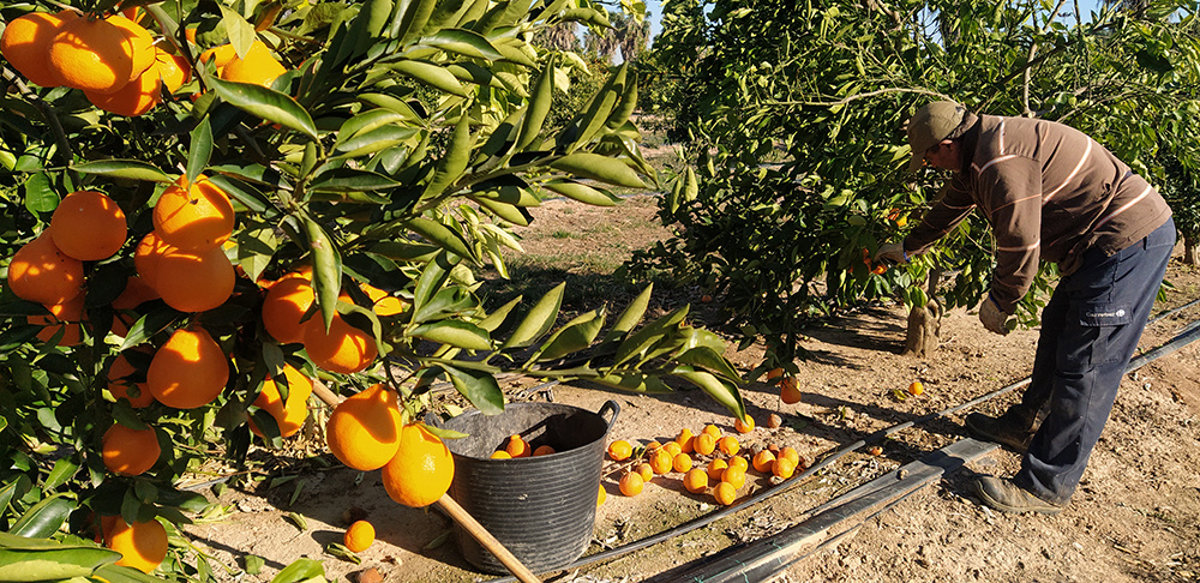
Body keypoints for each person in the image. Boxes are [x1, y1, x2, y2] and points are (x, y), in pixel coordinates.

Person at [875, 101, 1175, 515]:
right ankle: (1026, 424)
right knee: (1057, 329)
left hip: (1126, 241)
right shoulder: (976, 153)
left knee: (1087, 363)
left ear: (946, 145)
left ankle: (1047, 485)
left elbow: (1020, 242)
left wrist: (1001, 300)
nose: (927, 165)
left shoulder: (999, 162)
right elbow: (949, 209)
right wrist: (909, 247)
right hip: (1094, 245)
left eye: (928, 156)